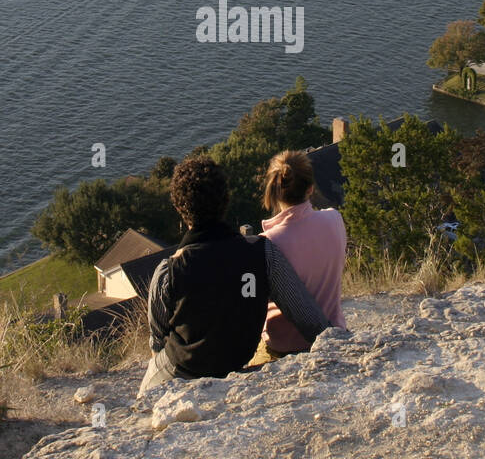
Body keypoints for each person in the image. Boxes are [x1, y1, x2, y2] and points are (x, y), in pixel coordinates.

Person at [140, 155, 332, 394]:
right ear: (226, 201)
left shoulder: (168, 272)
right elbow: (310, 320)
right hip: (237, 363)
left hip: (182, 372)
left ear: (179, 209)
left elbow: (158, 345)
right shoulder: (262, 252)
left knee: (144, 398)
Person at [248, 151, 347, 367]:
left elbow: (250, 305)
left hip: (283, 349)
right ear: (310, 188)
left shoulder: (266, 244)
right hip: (334, 336)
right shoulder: (335, 219)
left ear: (274, 191)